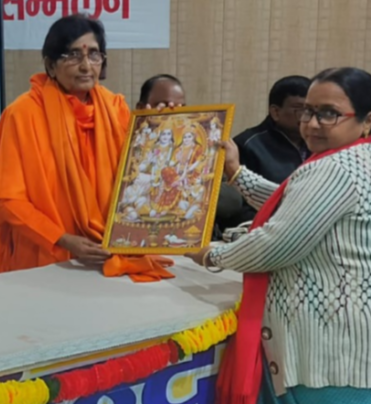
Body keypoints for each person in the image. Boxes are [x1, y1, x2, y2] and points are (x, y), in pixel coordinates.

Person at [186, 67, 371, 403]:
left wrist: (210, 254)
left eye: (329, 114)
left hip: (328, 351)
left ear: (366, 120)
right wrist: (236, 173)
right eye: (307, 111)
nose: (312, 124)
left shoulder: (335, 167)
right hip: (347, 341)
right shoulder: (356, 157)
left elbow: (275, 245)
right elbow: (294, 204)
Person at [0, 15, 172, 281]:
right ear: (51, 65)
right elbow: (7, 200)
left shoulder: (115, 108)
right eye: (72, 55)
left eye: (94, 55)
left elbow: (139, 178)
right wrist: (62, 239)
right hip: (46, 255)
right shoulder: (22, 115)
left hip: (108, 254)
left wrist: (161, 131)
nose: (85, 66)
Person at [134, 74, 243, 238]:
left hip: (192, 239)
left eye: (181, 106)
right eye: (163, 105)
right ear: (141, 107)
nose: (174, 111)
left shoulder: (203, 146)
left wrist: (192, 184)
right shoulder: (129, 143)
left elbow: (232, 203)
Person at [222, 76, 311, 228]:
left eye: (312, 110)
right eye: (300, 110)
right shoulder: (247, 144)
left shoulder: (321, 144)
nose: (308, 118)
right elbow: (238, 207)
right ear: (275, 112)